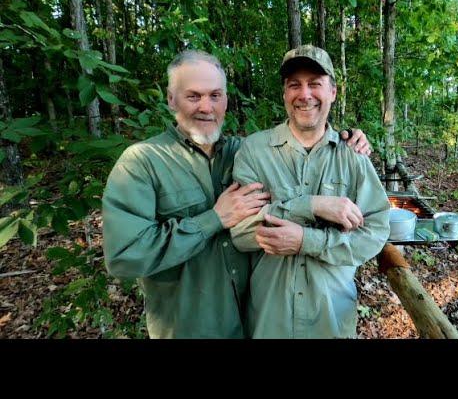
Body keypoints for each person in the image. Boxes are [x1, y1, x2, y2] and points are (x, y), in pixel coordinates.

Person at [101, 50, 371, 339]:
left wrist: (345, 138)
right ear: (171, 99)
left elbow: (302, 146)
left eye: (215, 95)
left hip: (253, 322)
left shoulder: (245, 152)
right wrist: (213, 219)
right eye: (193, 96)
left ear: (226, 101)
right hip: (190, 329)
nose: (206, 107)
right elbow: (123, 257)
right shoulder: (143, 162)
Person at [230, 45, 390, 339]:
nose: (304, 94)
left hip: (330, 319)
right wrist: (312, 205)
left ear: (333, 91)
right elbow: (240, 233)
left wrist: (308, 240)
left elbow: (376, 230)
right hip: (269, 321)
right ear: (284, 94)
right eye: (295, 85)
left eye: (315, 83)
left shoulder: (352, 156)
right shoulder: (254, 151)